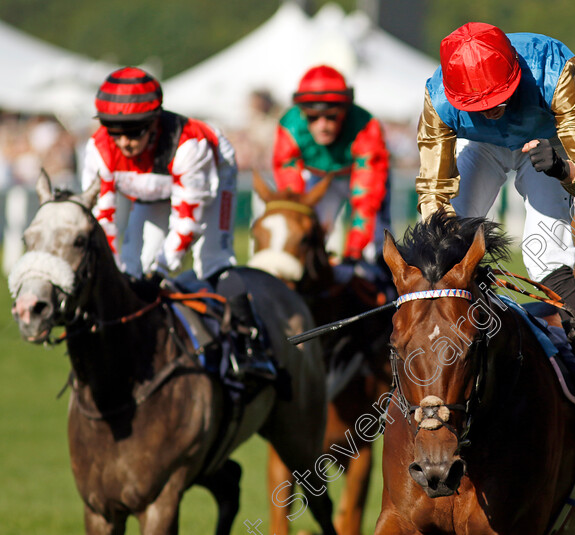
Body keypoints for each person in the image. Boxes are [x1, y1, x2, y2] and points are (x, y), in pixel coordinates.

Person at [415, 22, 575, 449]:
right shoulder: (437, 96)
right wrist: (442, 251)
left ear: (516, 72)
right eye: (481, 104)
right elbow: (433, 190)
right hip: (482, 150)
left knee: (547, 261)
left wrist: (564, 168)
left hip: (546, 146)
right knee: (440, 251)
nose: (494, 110)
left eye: (499, 98)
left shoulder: (555, 68)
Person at [80, 66, 275, 380]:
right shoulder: (98, 149)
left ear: (154, 121)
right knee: (131, 265)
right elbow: (105, 219)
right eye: (113, 129)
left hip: (208, 175)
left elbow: (187, 223)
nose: (124, 141)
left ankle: (251, 346)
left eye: (134, 129)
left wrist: (160, 269)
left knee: (211, 261)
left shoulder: (190, 145)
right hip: (151, 185)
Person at [272, 64, 391, 284]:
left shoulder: (367, 127)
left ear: (345, 111)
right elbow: (294, 198)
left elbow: (366, 202)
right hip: (320, 179)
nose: (323, 126)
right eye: (313, 118)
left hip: (360, 175)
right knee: (308, 233)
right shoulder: (288, 126)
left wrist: (353, 252)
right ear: (302, 114)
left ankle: (384, 288)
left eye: (331, 117)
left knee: (377, 244)